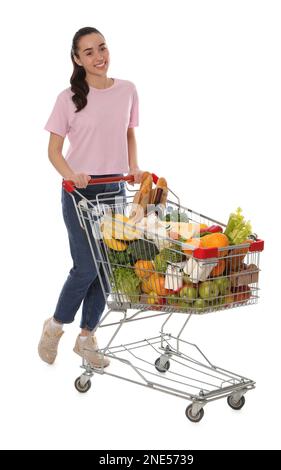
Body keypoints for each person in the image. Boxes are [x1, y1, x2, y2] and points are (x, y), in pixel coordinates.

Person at [38, 26, 144, 368]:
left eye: (102, 48)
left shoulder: (127, 90)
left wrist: (135, 167)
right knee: (86, 266)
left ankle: (87, 337)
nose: (99, 57)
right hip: (79, 191)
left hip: (114, 187)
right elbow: (53, 151)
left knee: (107, 268)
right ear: (76, 59)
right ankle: (55, 326)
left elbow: (128, 134)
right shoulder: (67, 98)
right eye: (89, 52)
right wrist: (71, 174)